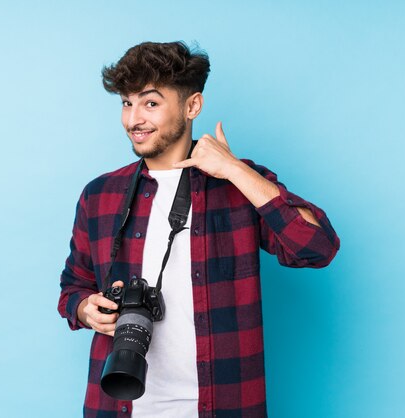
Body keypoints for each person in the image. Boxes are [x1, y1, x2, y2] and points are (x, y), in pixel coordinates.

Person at [58, 41, 340, 418]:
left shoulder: (239, 185)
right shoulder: (100, 195)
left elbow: (318, 248)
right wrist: (85, 308)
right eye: (127, 103)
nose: (133, 119)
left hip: (224, 402)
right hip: (118, 404)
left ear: (192, 106)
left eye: (151, 103)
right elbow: (72, 286)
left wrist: (237, 171)